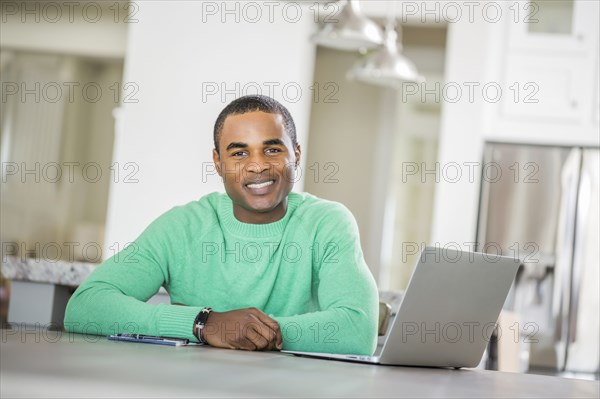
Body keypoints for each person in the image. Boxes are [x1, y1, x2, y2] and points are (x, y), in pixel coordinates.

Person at [64, 95, 379, 355]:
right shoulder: (182, 226)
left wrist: (251, 332)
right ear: (218, 162)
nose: (257, 165)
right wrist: (205, 323)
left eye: (272, 149)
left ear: (295, 154)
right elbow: (85, 306)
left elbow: (357, 331)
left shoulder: (328, 223)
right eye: (239, 152)